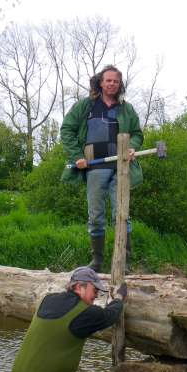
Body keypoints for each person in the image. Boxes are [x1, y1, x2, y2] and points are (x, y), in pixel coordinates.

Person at [8, 266, 127, 372]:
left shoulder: (47, 300)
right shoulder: (86, 313)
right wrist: (120, 297)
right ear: (80, 287)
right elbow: (110, 314)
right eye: (94, 290)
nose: (95, 296)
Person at [60, 65, 144, 272]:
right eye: (108, 80)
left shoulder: (126, 109)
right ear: (100, 82)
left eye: (115, 81)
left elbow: (137, 134)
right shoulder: (86, 106)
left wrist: (132, 147)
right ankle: (97, 262)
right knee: (96, 216)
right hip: (94, 168)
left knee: (121, 215)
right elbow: (67, 130)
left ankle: (124, 262)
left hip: (121, 167)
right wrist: (77, 156)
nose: (112, 84)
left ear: (119, 84)